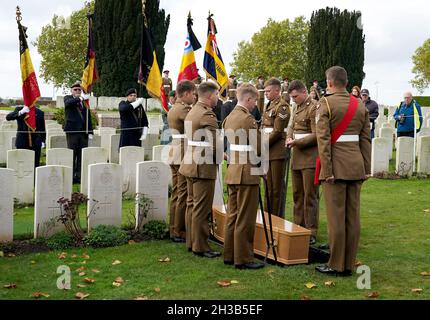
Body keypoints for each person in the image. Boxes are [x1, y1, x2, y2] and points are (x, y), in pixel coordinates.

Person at [315, 66, 371, 276]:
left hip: (335, 169)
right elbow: (365, 139)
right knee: (352, 217)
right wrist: (366, 168)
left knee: (336, 218)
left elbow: (324, 140)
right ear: (346, 83)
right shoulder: (359, 105)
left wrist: (327, 170)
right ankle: (349, 263)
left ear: (329, 83)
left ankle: (336, 264)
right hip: (356, 165)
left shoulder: (326, 103)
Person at [223, 83, 264, 269]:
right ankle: (244, 258)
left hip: (233, 169)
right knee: (245, 217)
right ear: (247, 99)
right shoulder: (247, 119)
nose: (255, 104)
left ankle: (230, 254)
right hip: (247, 171)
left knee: (233, 215)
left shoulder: (229, 117)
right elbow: (257, 147)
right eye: (254, 100)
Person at [179, 81, 221, 258]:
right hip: (202, 166)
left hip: (189, 162)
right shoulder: (207, 115)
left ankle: (191, 241)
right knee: (201, 208)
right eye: (217, 94)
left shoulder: (192, 111)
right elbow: (215, 145)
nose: (218, 98)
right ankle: (201, 246)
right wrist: (221, 159)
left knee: (191, 205)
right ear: (210, 95)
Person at [285, 80, 319, 245]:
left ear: (304, 92)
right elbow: (291, 125)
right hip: (297, 156)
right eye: (291, 97)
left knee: (310, 195)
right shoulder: (295, 107)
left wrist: (296, 142)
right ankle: (298, 226)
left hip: (310, 157)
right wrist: (288, 137)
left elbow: (317, 134)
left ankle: (311, 230)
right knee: (298, 194)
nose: (293, 100)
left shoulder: (314, 107)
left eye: (295, 96)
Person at [167, 80, 196, 243]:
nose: (194, 97)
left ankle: (173, 228)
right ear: (185, 94)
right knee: (183, 192)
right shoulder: (184, 109)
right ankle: (179, 230)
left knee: (177, 192)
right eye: (193, 93)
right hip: (183, 151)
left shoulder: (174, 108)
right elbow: (195, 126)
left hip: (175, 150)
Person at [261, 77, 290, 217]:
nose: (266, 93)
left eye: (268, 91)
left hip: (277, 151)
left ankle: (277, 218)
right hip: (268, 150)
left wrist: (262, 145)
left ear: (277, 90)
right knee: (268, 187)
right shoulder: (268, 105)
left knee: (276, 188)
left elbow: (278, 131)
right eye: (265, 91)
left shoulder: (282, 106)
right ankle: (268, 216)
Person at [64, 81, 94, 184]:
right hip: (72, 132)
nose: (77, 91)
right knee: (72, 155)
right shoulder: (68, 98)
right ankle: (71, 177)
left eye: (79, 90)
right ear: (71, 91)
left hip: (83, 133)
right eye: (75, 89)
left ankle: (80, 177)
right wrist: (81, 98)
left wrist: (90, 131)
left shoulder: (84, 102)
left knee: (82, 156)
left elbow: (88, 117)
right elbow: (68, 104)